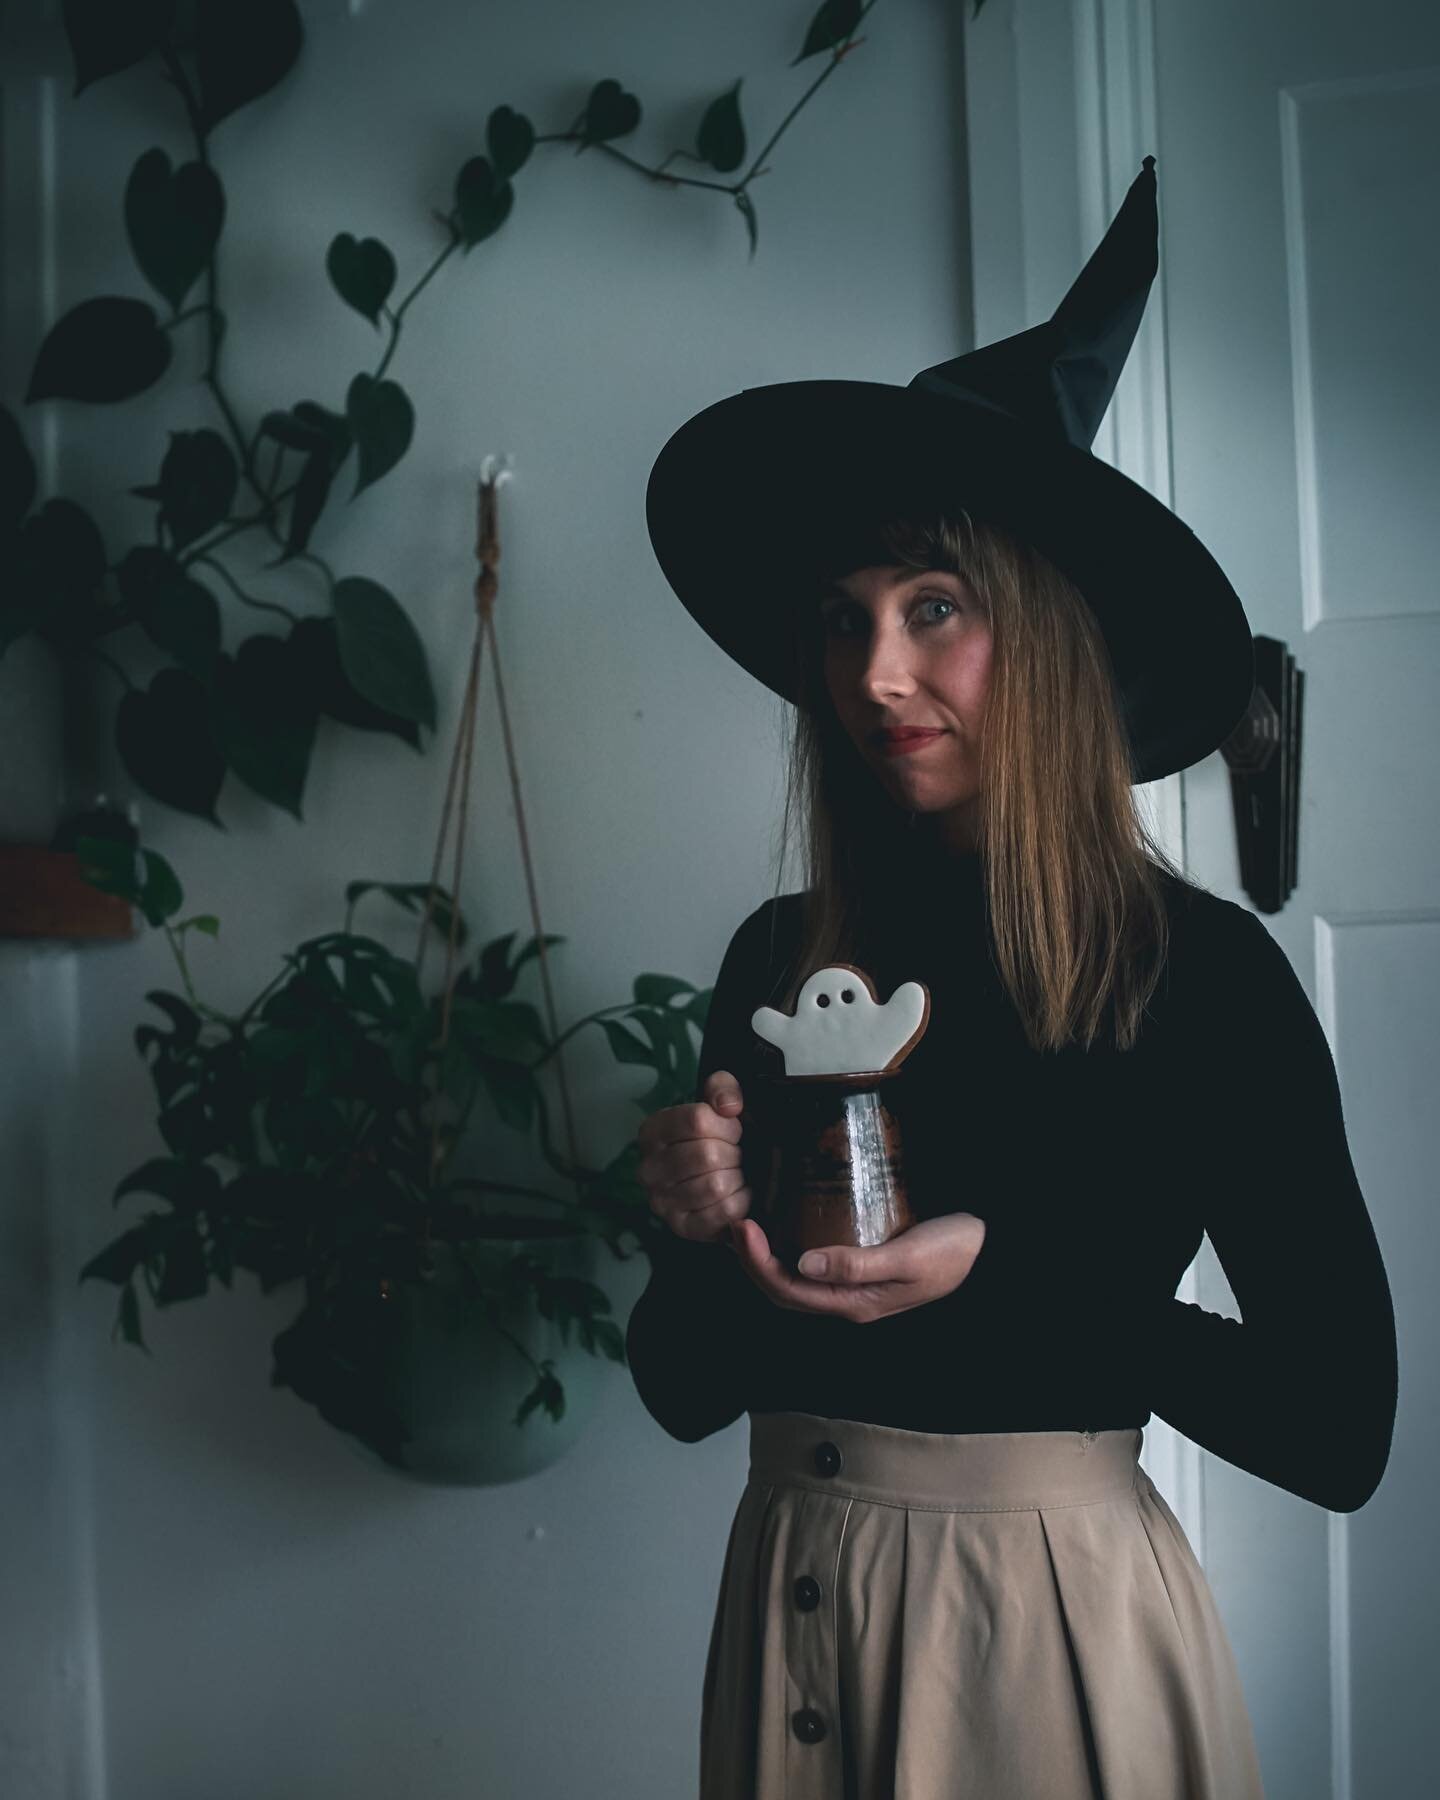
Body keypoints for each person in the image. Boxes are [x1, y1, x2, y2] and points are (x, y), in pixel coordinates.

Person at [628, 157, 1398, 1800]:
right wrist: (693, 1233)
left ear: (1046, 636)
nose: (873, 675)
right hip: (793, 1612)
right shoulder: (784, 962)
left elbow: (1344, 1434)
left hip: (1044, 1642)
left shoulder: (1202, 979)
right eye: (844, 619)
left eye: (935, 609)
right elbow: (687, 1393)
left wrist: (1012, 1276)